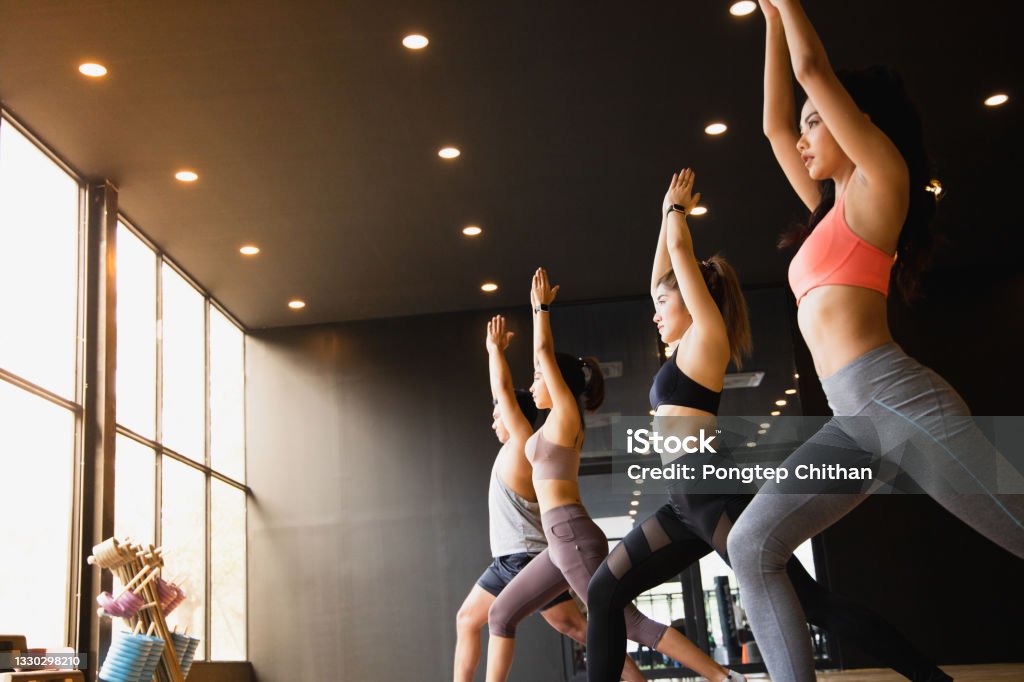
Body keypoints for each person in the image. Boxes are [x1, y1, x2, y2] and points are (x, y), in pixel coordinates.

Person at [727, 2, 1024, 680]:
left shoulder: (880, 184)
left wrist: (788, 4)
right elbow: (773, 124)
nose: (800, 139)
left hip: (903, 406)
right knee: (754, 545)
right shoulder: (826, 210)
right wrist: (769, 19)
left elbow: (811, 68)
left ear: (857, 123)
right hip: (854, 422)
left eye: (816, 121)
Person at [586, 170, 950, 682]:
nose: (655, 314)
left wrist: (674, 215)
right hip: (680, 505)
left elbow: (679, 259)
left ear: (693, 303)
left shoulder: (706, 336)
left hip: (711, 496)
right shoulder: (680, 347)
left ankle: (934, 678)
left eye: (665, 304)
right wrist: (661, 224)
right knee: (603, 591)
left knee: (814, 604)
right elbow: (659, 280)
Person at [485, 269, 744, 681]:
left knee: (632, 624)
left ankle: (722, 676)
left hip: (570, 536)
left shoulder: (566, 416)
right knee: (500, 613)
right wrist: (492, 351)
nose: (533, 385)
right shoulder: (538, 430)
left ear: (560, 383)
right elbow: (504, 391)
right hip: (558, 543)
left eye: (538, 378)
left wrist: (541, 311)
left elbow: (544, 353)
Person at [454, 315, 598, 681]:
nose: (493, 421)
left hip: (524, 556)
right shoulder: (515, 448)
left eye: (497, 414)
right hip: (510, 558)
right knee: (470, 619)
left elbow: (502, 389)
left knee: (569, 627)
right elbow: (500, 394)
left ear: (515, 415)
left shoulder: (522, 443)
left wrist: (493, 351)